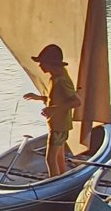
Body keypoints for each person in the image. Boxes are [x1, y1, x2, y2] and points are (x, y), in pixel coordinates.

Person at [23, 44, 81, 177]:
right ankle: (62, 177)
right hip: (58, 125)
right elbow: (56, 99)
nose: (40, 65)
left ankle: (54, 179)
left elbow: (76, 101)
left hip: (59, 126)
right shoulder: (54, 78)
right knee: (59, 156)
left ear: (51, 63)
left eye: (42, 62)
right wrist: (39, 98)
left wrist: (54, 110)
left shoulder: (61, 80)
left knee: (50, 159)